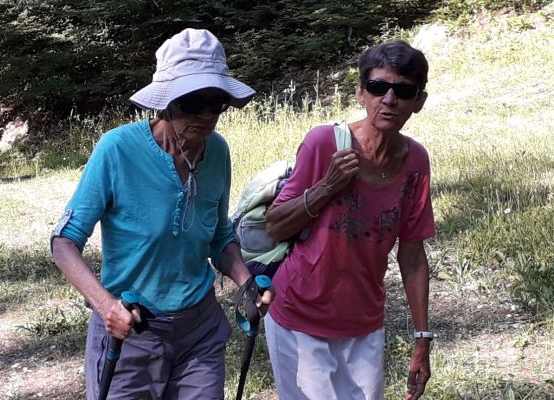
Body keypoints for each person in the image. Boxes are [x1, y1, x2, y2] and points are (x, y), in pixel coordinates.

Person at [49, 28, 262, 400]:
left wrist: (246, 282)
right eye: (192, 103)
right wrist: (105, 306)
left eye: (217, 103)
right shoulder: (118, 149)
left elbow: (219, 237)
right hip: (131, 331)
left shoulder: (218, 152)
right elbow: (64, 242)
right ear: (166, 103)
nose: (207, 115)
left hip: (199, 330)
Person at [261, 40, 438, 400]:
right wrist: (327, 186)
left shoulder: (416, 161)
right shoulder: (324, 143)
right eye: (377, 87)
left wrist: (422, 338)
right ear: (360, 93)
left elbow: (413, 254)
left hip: (364, 323)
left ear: (419, 101)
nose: (389, 99)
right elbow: (275, 225)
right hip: (299, 318)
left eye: (403, 91)